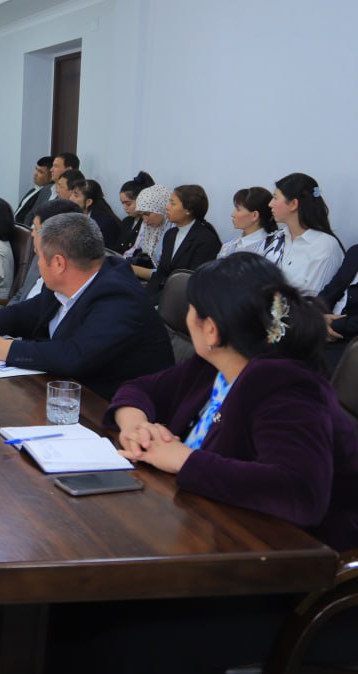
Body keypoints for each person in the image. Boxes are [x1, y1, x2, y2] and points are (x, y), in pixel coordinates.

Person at [111, 252, 358, 546]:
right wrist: (136, 426)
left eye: (191, 309)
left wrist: (183, 459)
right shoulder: (215, 364)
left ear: (211, 330)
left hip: (287, 551)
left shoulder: (285, 385)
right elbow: (139, 389)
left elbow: (299, 492)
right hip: (200, 521)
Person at [0, 213, 173, 398]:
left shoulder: (119, 298)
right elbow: (29, 312)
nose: (38, 265)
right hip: (64, 392)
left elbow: (75, 356)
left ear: (59, 263)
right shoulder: (67, 282)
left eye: (39, 257)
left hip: (112, 409)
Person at [264, 172, 344, 297]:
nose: (270, 204)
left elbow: (312, 300)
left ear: (293, 204)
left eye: (275, 198)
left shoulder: (324, 246)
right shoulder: (276, 238)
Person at [144, 185, 222, 299]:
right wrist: (145, 298)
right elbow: (160, 273)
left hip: (183, 299)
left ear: (188, 210)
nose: (167, 207)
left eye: (173, 204)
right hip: (162, 295)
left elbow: (193, 282)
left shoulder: (206, 240)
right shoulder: (170, 234)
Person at [10, 198, 83, 303]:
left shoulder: (70, 275)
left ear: (54, 234)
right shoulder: (39, 255)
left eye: (36, 229)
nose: (32, 234)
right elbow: (20, 295)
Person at [319, 244, 358, 372]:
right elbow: (331, 290)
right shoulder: (355, 252)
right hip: (323, 326)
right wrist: (316, 316)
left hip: (348, 340)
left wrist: (330, 325)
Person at [124, 183, 171, 278]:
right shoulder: (146, 225)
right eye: (141, 215)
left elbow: (166, 273)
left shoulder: (173, 229)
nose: (145, 220)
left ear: (161, 208)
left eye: (147, 214)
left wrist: (134, 269)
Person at [217, 186, 276, 259]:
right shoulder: (228, 246)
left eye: (238, 209)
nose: (232, 214)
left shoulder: (269, 248)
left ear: (254, 215)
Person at [68, 178, 120, 252]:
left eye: (76, 196)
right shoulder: (78, 215)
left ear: (88, 202)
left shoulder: (103, 223)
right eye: (72, 194)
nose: (70, 198)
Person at [116, 171, 155, 254]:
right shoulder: (126, 221)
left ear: (142, 200)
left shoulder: (148, 223)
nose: (125, 208)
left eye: (128, 204)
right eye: (122, 203)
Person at [14, 156, 55, 226]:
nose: (35, 174)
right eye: (36, 169)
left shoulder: (45, 195)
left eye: (40, 172)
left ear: (51, 176)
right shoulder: (33, 190)